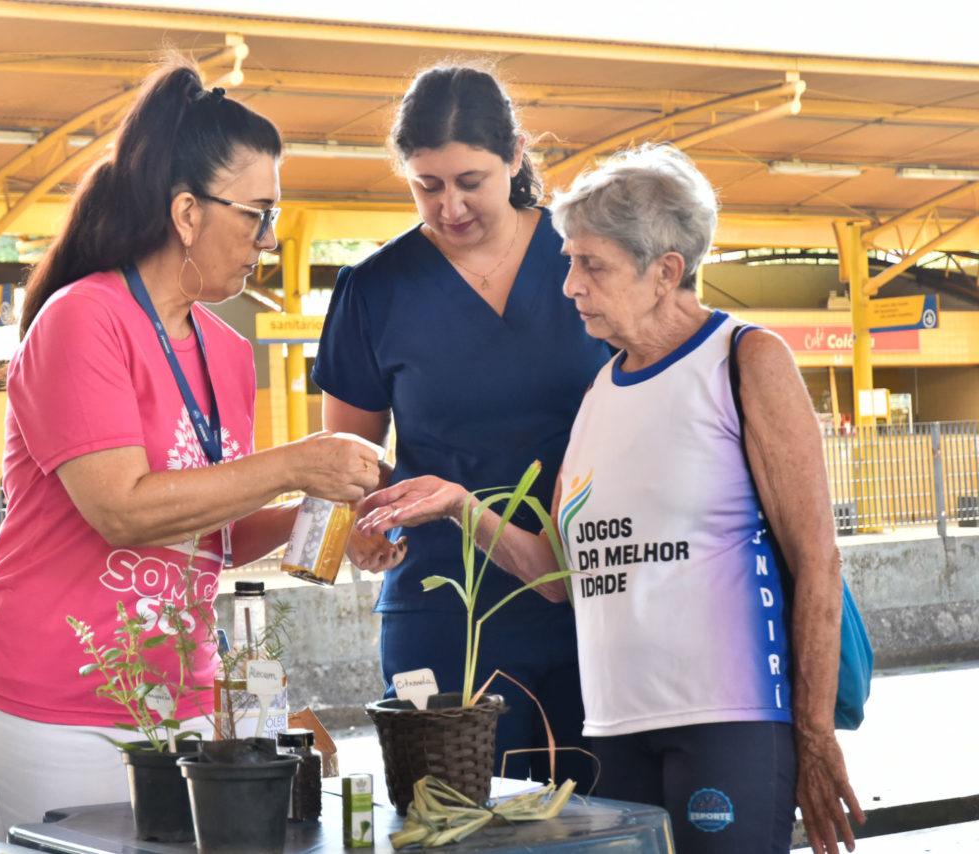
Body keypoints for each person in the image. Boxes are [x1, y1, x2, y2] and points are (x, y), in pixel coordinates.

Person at [357, 144, 863, 854]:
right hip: (613, 727)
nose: (568, 285)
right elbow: (561, 577)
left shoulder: (744, 360)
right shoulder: (600, 392)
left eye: (590, 264)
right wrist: (458, 504)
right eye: (569, 261)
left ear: (665, 271)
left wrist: (813, 737)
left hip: (729, 718)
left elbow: (819, 560)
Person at [0, 61, 380, 841]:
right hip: (53, 707)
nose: (271, 238)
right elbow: (122, 510)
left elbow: (203, 534)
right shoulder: (84, 319)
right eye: (257, 214)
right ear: (187, 212)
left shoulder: (223, 348)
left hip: (180, 706)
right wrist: (294, 462)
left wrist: (310, 516)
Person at [313, 64, 611, 785]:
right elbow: (347, 461)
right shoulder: (374, 289)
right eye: (427, 185)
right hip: (442, 601)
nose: (449, 208)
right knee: (451, 814)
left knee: (606, 814)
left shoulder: (592, 256)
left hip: (593, 587)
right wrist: (359, 526)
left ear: (514, 157)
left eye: (470, 181)